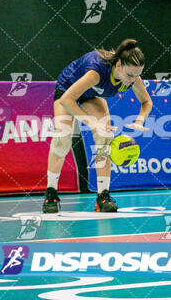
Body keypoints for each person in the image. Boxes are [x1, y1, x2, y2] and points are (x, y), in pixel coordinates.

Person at [43, 38, 152, 213]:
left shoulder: (133, 78)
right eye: (130, 75)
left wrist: (140, 120)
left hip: (92, 93)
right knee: (62, 137)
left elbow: (146, 101)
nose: (132, 80)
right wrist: (93, 123)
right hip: (68, 89)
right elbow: (66, 100)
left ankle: (103, 196)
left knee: (105, 136)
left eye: (137, 75)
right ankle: (51, 193)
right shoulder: (96, 73)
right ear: (118, 65)